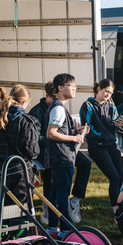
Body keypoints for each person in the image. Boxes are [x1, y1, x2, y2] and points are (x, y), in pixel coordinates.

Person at [28, 82, 91, 224]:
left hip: (64, 148)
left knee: (85, 163)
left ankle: (74, 201)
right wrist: (71, 137)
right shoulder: (40, 111)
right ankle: (49, 208)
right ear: (48, 96)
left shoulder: (59, 106)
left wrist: (75, 131)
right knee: (53, 179)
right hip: (47, 150)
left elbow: (61, 131)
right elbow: (40, 138)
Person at [0, 84, 39, 230]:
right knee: (19, 205)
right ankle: (14, 235)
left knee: (4, 202)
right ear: (24, 102)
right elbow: (33, 152)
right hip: (20, 169)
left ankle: (0, 232)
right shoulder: (26, 121)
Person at [45, 73, 87, 238]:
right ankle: (63, 230)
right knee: (62, 194)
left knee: (55, 193)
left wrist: (75, 131)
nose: (75, 88)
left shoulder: (59, 107)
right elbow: (51, 133)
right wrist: (74, 137)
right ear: (60, 88)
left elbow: (58, 131)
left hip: (60, 158)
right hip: (62, 158)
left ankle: (52, 228)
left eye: (75, 85)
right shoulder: (58, 108)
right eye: (71, 85)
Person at [80, 79, 123, 212]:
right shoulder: (87, 105)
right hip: (97, 146)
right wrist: (102, 136)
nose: (108, 95)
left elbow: (114, 127)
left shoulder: (111, 107)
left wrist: (117, 124)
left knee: (121, 178)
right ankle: (115, 208)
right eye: (106, 91)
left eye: (110, 93)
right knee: (114, 177)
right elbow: (87, 127)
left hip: (111, 144)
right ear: (99, 89)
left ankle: (121, 206)